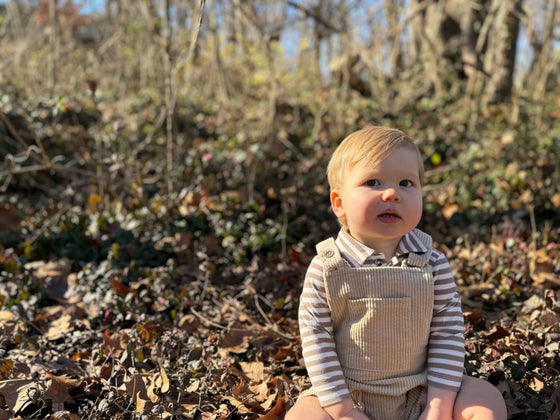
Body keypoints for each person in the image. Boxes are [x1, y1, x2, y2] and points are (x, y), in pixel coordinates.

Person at [285, 126, 506, 420]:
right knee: (302, 416)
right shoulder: (328, 267)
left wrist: (439, 404)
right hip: (348, 396)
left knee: (486, 399)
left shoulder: (432, 263)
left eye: (406, 183)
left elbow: (448, 334)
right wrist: (342, 410)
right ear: (339, 204)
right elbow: (316, 339)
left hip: (422, 391)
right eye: (372, 182)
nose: (392, 193)